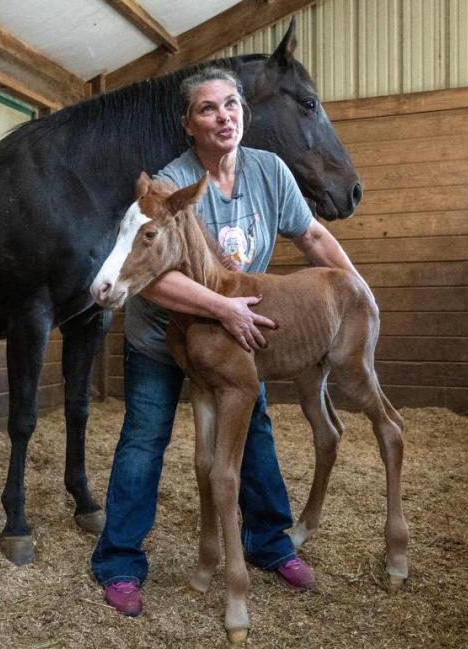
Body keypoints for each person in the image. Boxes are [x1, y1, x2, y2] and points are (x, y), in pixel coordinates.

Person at [91, 67, 360, 616]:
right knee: (145, 440)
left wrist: (360, 294)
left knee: (254, 434)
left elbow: (311, 234)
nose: (224, 116)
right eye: (209, 108)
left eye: (232, 104)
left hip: (237, 337)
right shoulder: (171, 181)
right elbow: (155, 273)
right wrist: (221, 307)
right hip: (164, 335)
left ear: (245, 112)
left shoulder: (268, 171)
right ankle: (120, 563)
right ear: (188, 123)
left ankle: (271, 545)